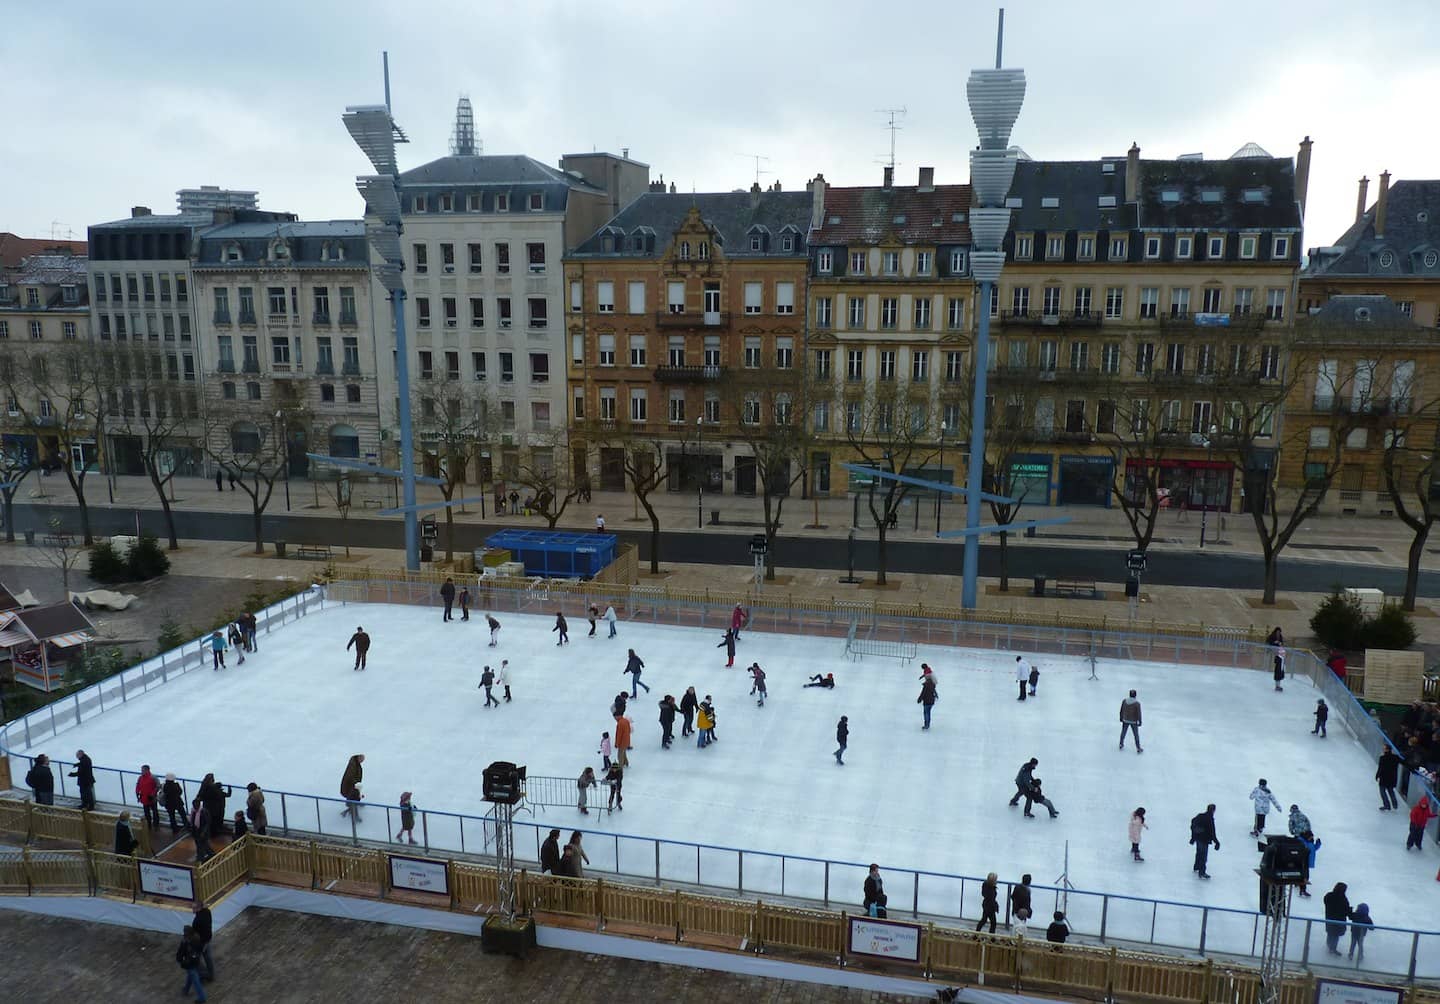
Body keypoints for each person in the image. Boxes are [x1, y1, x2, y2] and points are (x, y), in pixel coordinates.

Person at [177, 926, 207, 1002]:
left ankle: (202, 997)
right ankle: (186, 990)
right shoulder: (197, 938)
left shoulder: (185, 942)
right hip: (196, 961)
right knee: (191, 975)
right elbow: (201, 948)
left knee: (196, 981)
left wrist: (180, 960)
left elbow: (180, 953)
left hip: (189, 964)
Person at [1189, 804, 1220, 879]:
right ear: (1214, 810)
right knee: (1203, 856)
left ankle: (1196, 866)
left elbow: (1193, 822)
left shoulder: (1200, 816)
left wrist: (1193, 837)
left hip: (1198, 838)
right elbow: (1212, 832)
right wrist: (1216, 842)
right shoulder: (1210, 819)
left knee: (1199, 853)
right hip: (1204, 840)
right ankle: (1202, 872)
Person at [1323, 882, 1353, 955]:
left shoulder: (1329, 895)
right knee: (1335, 935)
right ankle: (1333, 948)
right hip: (1339, 921)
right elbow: (1346, 911)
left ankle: (1329, 945)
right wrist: (1350, 910)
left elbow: (1325, 902)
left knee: (1330, 933)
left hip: (1329, 919)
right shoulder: (1343, 899)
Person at [198, 773, 230, 840]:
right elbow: (221, 796)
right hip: (214, 808)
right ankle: (213, 834)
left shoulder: (204, 786)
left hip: (206, 807)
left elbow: (200, 796)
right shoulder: (213, 789)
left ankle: (209, 833)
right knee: (214, 821)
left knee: (208, 821)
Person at [193, 898, 215, 982]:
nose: (192, 909)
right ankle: (211, 975)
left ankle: (205, 974)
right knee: (208, 958)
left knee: (196, 959)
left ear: (199, 908)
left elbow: (195, 934)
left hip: (201, 942)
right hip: (208, 939)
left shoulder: (197, 921)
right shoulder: (207, 912)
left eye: (194, 908)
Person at [1296, 829, 1321, 897]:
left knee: (1305, 875)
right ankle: (1302, 889)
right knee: (1304, 875)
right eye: (1311, 837)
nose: (1312, 838)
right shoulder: (1302, 841)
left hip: (1307, 861)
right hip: (1302, 861)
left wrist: (1318, 844)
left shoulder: (1309, 842)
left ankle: (1301, 887)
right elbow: (1305, 849)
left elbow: (1314, 849)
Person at [340, 754, 365, 821]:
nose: (363, 760)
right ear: (358, 757)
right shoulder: (353, 765)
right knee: (352, 800)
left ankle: (353, 807)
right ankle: (355, 816)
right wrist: (356, 783)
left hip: (353, 786)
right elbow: (349, 777)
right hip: (350, 787)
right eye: (362, 758)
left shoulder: (356, 764)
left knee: (355, 798)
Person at [136, 764, 160, 829]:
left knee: (155, 812)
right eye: (141, 770)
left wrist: (152, 794)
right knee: (147, 813)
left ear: (147, 770)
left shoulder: (153, 777)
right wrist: (137, 793)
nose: (142, 771)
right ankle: (148, 825)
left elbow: (158, 786)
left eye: (143, 770)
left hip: (152, 799)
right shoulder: (140, 778)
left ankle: (156, 824)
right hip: (144, 798)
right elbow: (138, 786)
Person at [189, 798, 212, 863]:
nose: (194, 807)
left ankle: (203, 857)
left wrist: (203, 832)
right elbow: (192, 821)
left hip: (202, 832)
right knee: (199, 845)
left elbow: (207, 823)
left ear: (199, 805)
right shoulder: (193, 811)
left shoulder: (204, 812)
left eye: (196, 805)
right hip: (196, 831)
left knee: (203, 845)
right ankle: (202, 856)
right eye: (194, 805)